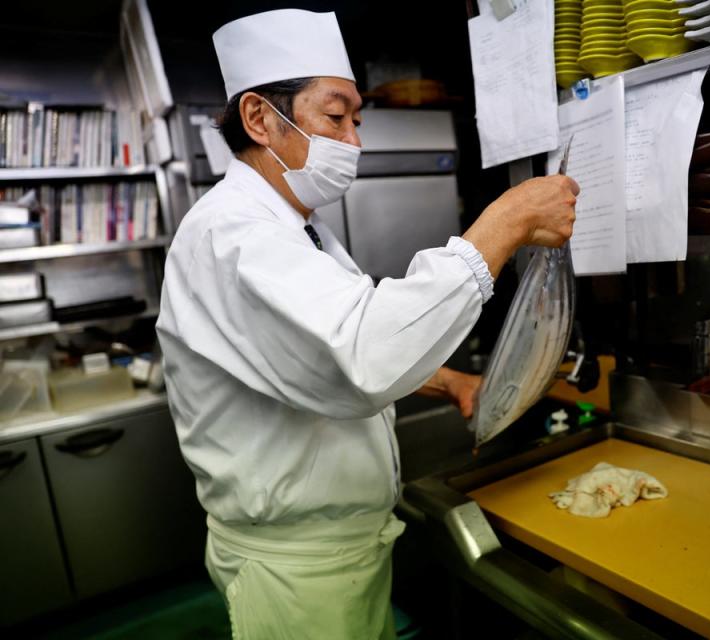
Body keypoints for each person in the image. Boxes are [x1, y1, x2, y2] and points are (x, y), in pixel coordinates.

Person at [155, 8, 578, 639]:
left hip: (344, 552)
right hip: (297, 573)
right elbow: (361, 354)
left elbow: (324, 349)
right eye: (335, 116)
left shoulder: (299, 226)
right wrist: (506, 223)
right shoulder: (232, 233)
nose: (353, 141)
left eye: (357, 120)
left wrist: (449, 382)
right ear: (259, 118)